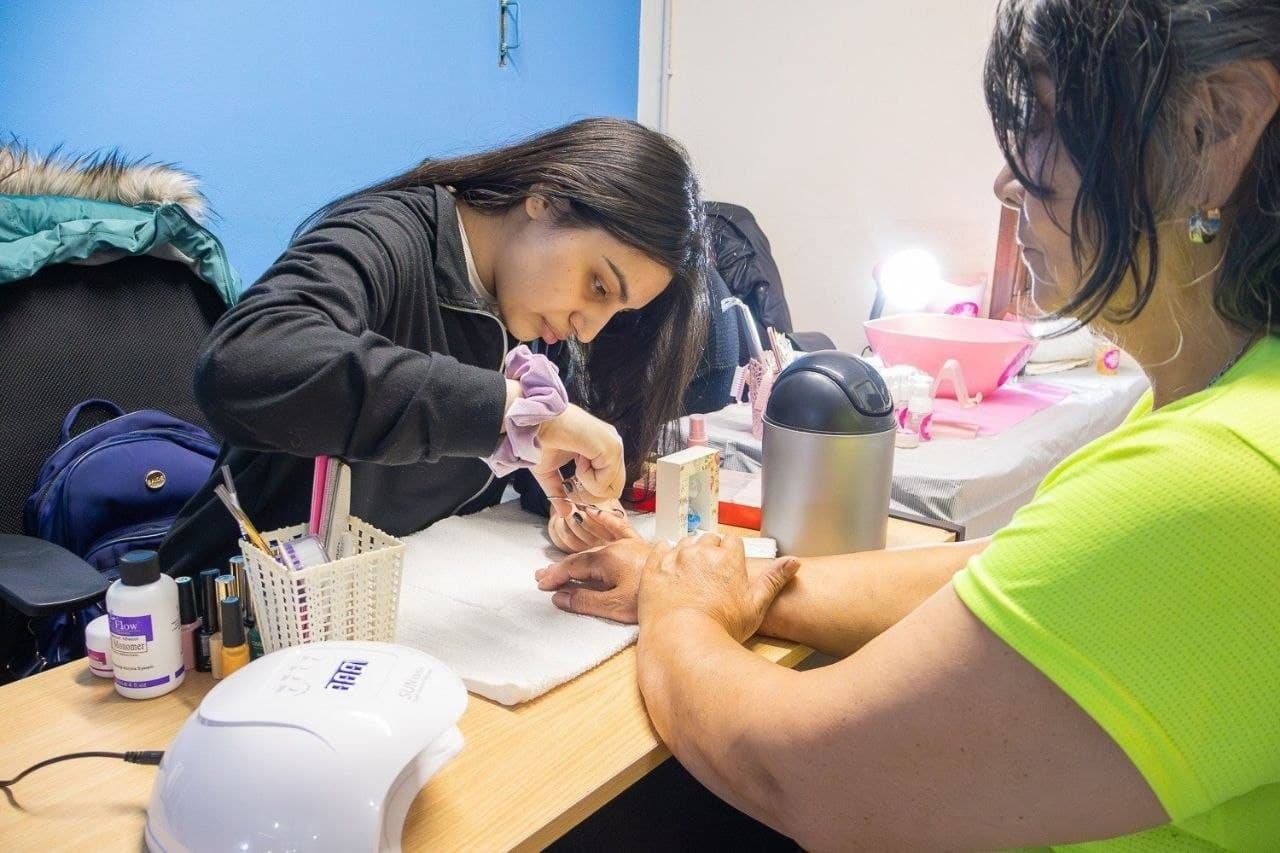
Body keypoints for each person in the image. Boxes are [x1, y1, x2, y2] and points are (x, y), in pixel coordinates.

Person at [534, 1, 1280, 848]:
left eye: (1041, 128)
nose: (1008, 180)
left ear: (1214, 126)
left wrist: (682, 614)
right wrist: (727, 581)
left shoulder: (1225, 481)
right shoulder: (1232, 414)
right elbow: (1013, 571)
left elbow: (805, 772)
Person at [161, 118, 707, 576]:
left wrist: (570, 501)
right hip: (234, 616)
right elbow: (245, 362)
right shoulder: (387, 236)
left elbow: (494, 458)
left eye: (616, 312)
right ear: (548, 198)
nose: (588, 330)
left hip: (394, 605)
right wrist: (504, 409)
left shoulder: (535, 310)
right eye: (598, 286)